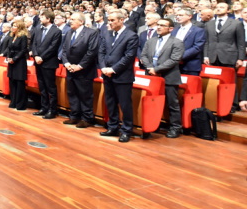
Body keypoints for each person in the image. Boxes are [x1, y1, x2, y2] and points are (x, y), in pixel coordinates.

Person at [98, 10, 139, 143]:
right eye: (108, 20)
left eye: (112, 20)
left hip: (122, 76)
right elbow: (101, 52)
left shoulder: (131, 36)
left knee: (125, 104)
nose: (109, 23)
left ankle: (126, 130)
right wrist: (103, 67)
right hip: (107, 74)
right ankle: (113, 127)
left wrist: (113, 69)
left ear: (121, 20)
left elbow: (128, 57)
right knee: (110, 102)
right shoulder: (108, 34)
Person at [140, 18, 185, 138]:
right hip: (151, 76)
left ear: (170, 29)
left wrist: (157, 69)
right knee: (152, 102)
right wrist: (150, 67)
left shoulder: (177, 42)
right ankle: (153, 125)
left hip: (168, 76)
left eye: (162, 25)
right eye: (158, 24)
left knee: (172, 104)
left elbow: (174, 59)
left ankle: (176, 127)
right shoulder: (151, 41)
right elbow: (143, 55)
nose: (158, 27)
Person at [204, 2, 245, 113]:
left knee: (231, 82)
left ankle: (232, 104)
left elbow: (241, 43)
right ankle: (216, 103)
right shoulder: (209, 24)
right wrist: (206, 55)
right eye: (217, 7)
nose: (218, 9)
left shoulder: (236, 23)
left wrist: (240, 58)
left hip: (229, 56)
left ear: (228, 10)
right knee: (215, 81)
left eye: (221, 7)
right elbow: (207, 41)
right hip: (213, 56)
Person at [62, 12, 99, 128]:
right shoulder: (69, 33)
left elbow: (91, 52)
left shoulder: (91, 33)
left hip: (84, 70)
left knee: (85, 95)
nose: (70, 21)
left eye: (73, 19)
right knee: (72, 93)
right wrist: (67, 63)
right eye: (70, 19)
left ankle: (86, 118)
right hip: (70, 69)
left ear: (81, 21)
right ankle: (74, 116)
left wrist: (80, 66)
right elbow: (64, 50)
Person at [31, 9, 62, 119]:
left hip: (48, 62)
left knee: (50, 88)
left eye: (42, 17)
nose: (40, 18)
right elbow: (33, 43)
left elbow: (53, 47)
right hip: (38, 62)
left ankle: (52, 110)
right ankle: (44, 107)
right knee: (42, 86)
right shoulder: (38, 29)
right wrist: (35, 56)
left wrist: (42, 57)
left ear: (48, 19)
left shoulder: (56, 31)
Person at [170, 7, 205, 76]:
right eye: (177, 15)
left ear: (190, 16)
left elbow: (197, 47)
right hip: (174, 65)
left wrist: (180, 57)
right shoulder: (174, 30)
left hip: (190, 65)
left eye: (181, 15)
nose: (178, 17)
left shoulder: (198, 30)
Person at [6, 20, 30, 110]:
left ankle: (20, 104)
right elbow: (8, 48)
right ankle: (13, 102)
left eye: (15, 26)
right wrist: (8, 58)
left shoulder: (23, 37)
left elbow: (23, 50)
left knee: (19, 83)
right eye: (12, 25)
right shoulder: (12, 36)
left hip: (19, 62)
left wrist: (14, 59)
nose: (13, 27)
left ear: (19, 27)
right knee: (12, 82)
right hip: (11, 62)